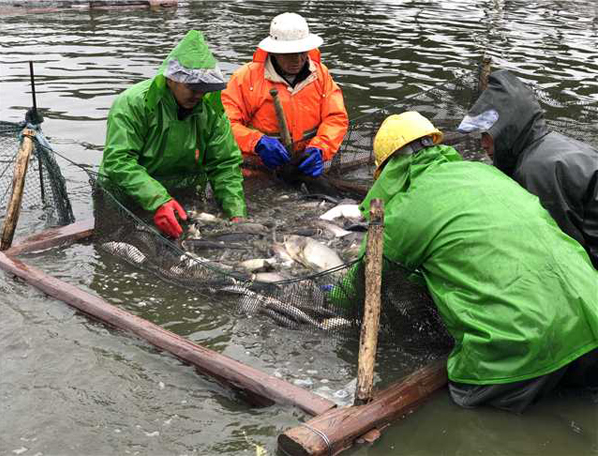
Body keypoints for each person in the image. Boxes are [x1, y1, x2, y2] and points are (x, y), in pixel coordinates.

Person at [347, 111, 598, 413]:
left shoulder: (405, 209)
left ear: (388, 170)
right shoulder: (487, 174)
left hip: (520, 350)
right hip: (592, 318)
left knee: (459, 407)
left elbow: (365, 279)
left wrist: (329, 298)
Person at [99, 30, 246, 239]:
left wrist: (236, 213)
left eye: (204, 88)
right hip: (127, 193)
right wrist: (158, 200)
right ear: (170, 79)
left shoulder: (211, 110)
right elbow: (118, 161)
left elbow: (224, 165)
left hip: (179, 194)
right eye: (192, 87)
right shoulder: (132, 103)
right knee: (122, 244)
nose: (199, 94)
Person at [458, 69, 598, 268]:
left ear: (507, 129)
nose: (483, 144)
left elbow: (564, 251)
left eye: (487, 134)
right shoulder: (552, 143)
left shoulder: (535, 170)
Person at [221, 12, 349, 177]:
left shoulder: (321, 74)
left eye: (302, 51)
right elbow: (224, 126)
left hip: (305, 166)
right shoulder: (245, 78)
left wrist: (320, 148)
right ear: (273, 52)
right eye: (289, 53)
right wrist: (256, 142)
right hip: (258, 171)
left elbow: (336, 118)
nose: (297, 59)